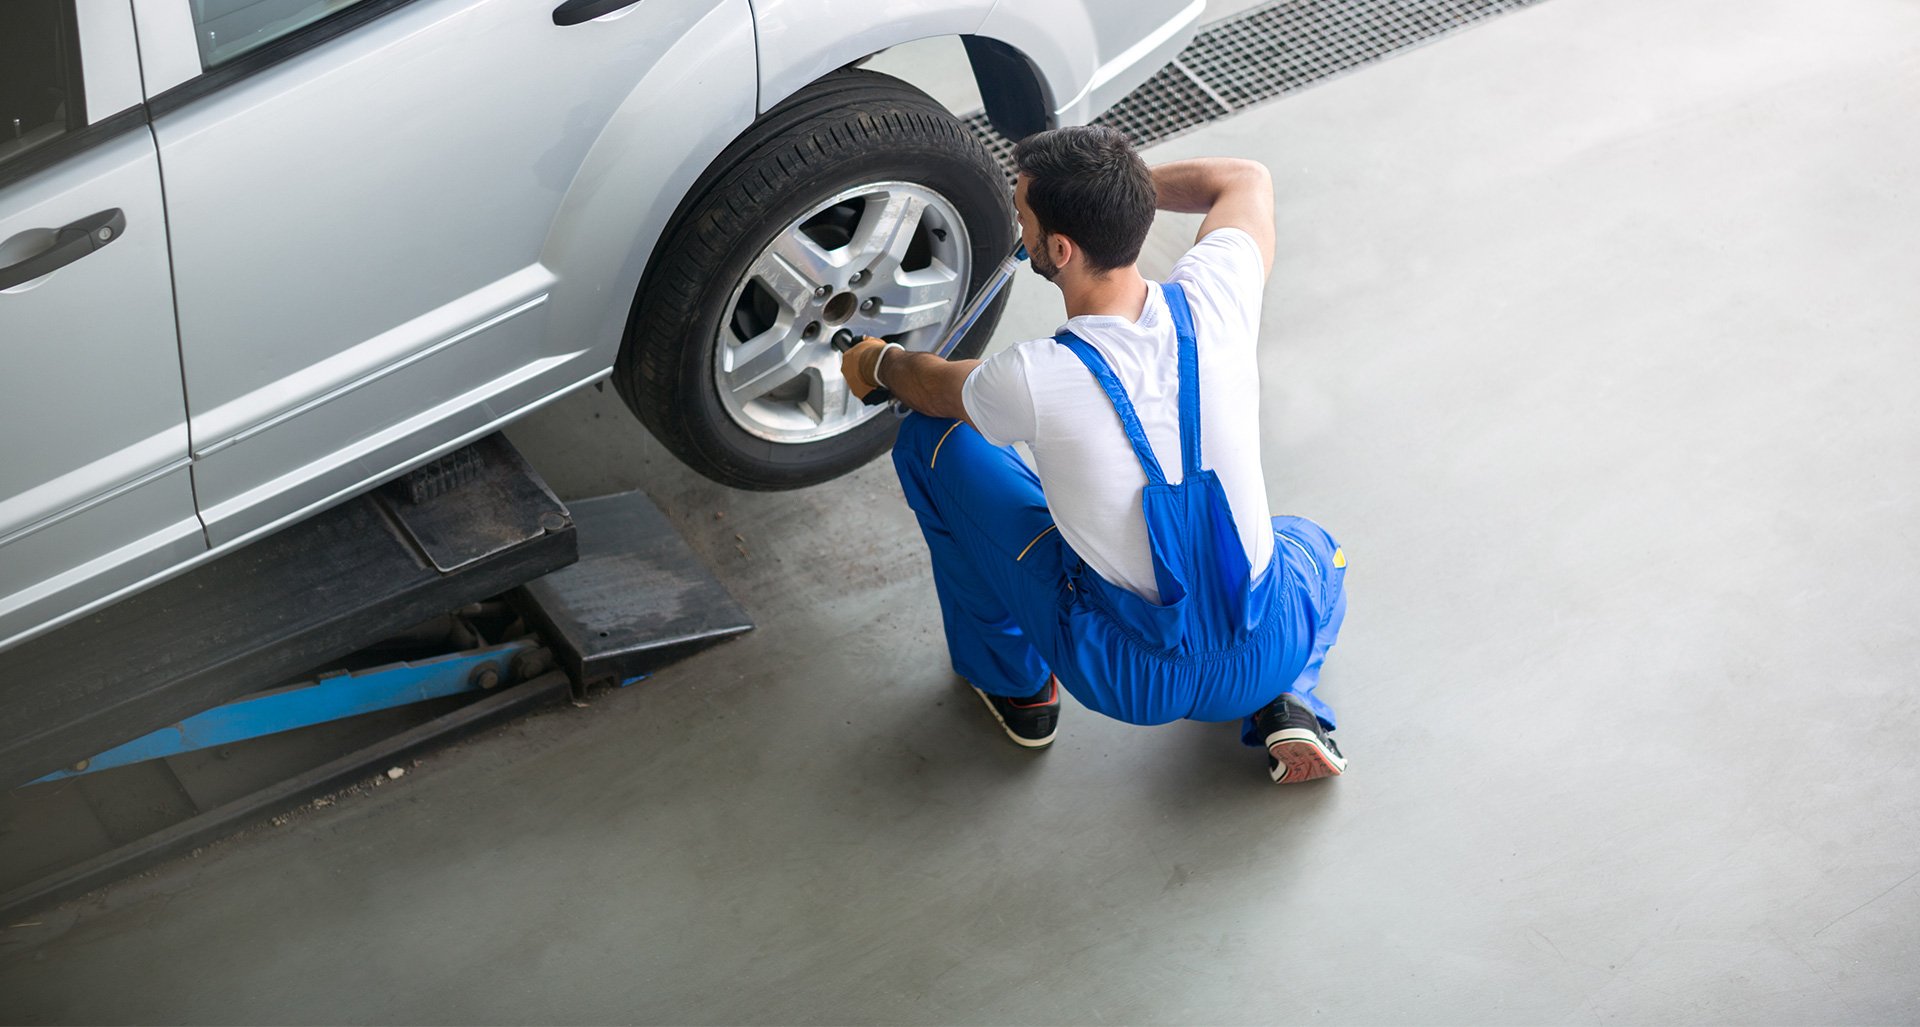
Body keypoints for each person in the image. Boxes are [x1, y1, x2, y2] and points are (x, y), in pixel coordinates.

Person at [838, 126, 1349, 783]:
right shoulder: (1220, 294)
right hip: (1267, 649)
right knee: (1312, 546)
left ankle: (1018, 689)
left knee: (929, 441)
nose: (1018, 227)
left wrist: (877, 361)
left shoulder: (1031, 377)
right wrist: (1114, 197)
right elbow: (1245, 178)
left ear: (1058, 248)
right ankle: (1289, 699)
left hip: (1128, 674)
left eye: (1022, 215)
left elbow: (932, 387)